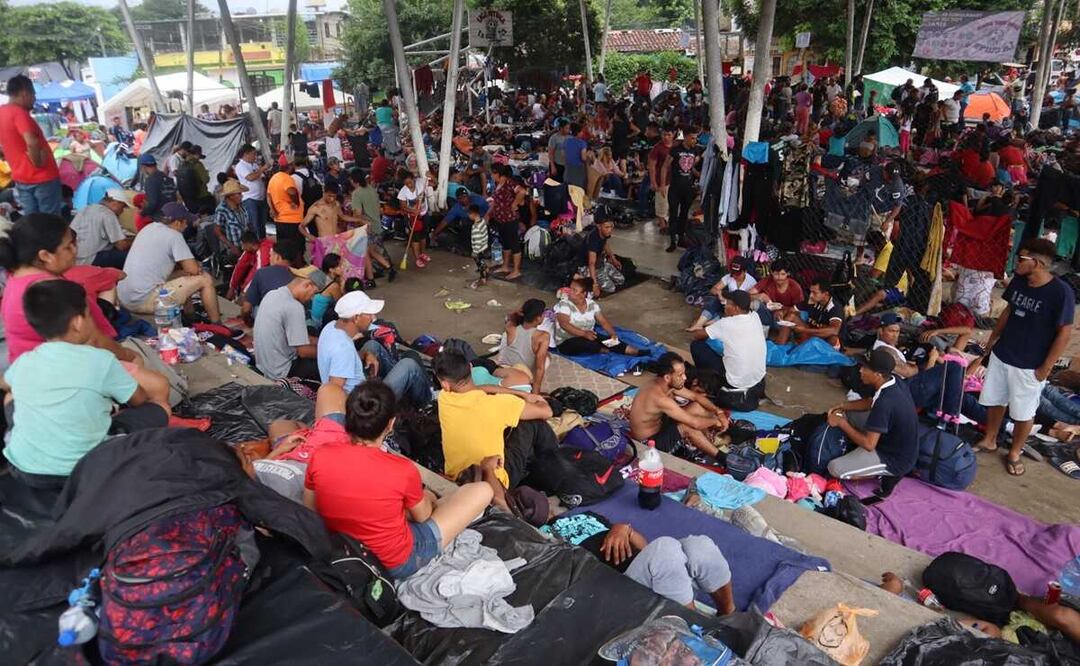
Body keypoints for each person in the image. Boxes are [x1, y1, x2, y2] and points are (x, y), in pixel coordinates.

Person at [304, 380, 494, 579]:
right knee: (481, 491)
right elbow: (423, 516)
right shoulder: (402, 470)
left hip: (342, 548)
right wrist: (426, 496)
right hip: (394, 562)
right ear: (390, 423)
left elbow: (310, 508)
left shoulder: (320, 455)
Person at [2, 280, 170, 488]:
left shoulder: (25, 361)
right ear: (78, 323)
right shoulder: (100, 360)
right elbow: (139, 399)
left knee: (12, 398)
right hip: (81, 471)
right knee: (158, 408)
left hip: (23, 468)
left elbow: (7, 385)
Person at [970, 239, 1075, 476]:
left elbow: (1064, 332)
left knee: (1024, 412)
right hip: (1003, 353)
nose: (1015, 262)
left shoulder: (1061, 293)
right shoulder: (1019, 281)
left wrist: (1046, 367)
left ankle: (1015, 451)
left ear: (1036, 263)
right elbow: (1008, 310)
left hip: (1030, 364)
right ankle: (990, 438)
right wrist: (992, 340)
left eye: (1020, 259)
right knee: (996, 400)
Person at [0, 214, 138, 366]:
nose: (74, 250)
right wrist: (127, 355)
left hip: (33, 370)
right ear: (45, 255)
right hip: (64, 371)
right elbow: (93, 339)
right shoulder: (50, 290)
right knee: (151, 373)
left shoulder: (15, 279)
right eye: (68, 246)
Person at [542, 511, 735, 614]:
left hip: (646, 568)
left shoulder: (588, 515)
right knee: (664, 548)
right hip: (615, 586)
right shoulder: (538, 536)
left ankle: (727, 613)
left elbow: (644, 547)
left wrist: (624, 530)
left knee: (698, 545)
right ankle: (699, 629)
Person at [435, 350, 553, 488]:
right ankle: (554, 468)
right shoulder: (498, 404)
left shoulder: (444, 398)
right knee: (533, 422)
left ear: (444, 384)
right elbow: (547, 412)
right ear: (471, 368)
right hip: (495, 483)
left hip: (459, 478)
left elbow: (479, 389)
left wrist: (520, 394)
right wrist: (536, 399)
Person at [317, 290, 431, 405]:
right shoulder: (343, 349)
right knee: (409, 365)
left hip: (361, 387)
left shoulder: (331, 326)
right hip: (365, 405)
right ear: (356, 318)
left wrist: (365, 354)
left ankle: (401, 383)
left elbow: (340, 358)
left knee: (372, 345)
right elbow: (334, 390)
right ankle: (428, 403)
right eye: (369, 314)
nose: (373, 318)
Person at [116, 201, 222, 323]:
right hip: (142, 300)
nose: (187, 225)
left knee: (184, 274)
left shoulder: (148, 228)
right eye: (185, 222)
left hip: (124, 298)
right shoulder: (174, 235)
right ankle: (217, 323)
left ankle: (190, 315)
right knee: (205, 279)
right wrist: (197, 265)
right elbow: (193, 269)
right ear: (177, 222)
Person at [825, 348, 919, 480]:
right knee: (845, 413)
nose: (860, 370)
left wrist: (842, 423)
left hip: (894, 459)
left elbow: (869, 445)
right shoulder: (894, 380)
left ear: (878, 375)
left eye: (865, 368)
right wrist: (842, 405)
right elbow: (870, 402)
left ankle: (882, 475)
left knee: (834, 468)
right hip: (891, 438)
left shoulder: (885, 403)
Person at [628, 352, 729, 459]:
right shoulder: (660, 398)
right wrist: (715, 421)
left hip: (661, 427)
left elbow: (695, 397)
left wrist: (719, 412)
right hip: (648, 445)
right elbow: (695, 424)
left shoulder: (664, 383)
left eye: (684, 373)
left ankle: (711, 436)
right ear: (667, 377)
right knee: (687, 428)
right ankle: (723, 459)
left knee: (697, 407)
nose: (685, 378)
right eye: (680, 375)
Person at [689, 291, 767, 404]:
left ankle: (709, 381)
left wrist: (700, 326)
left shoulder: (726, 323)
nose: (725, 305)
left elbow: (697, 335)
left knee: (697, 346)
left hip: (734, 382)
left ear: (736, 308)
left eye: (728, 303)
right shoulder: (755, 316)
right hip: (757, 378)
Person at [0, 75, 62, 216]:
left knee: (33, 223)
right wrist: (38, 162)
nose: (34, 99)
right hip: (42, 177)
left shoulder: (2, 112)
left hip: (21, 177)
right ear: (24, 94)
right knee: (50, 223)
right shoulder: (19, 114)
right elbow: (31, 142)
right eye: (33, 94)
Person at [253, 273, 326, 381]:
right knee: (327, 365)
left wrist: (323, 342)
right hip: (281, 372)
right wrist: (329, 353)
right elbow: (304, 352)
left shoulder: (272, 294)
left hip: (264, 366)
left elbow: (302, 338)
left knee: (311, 332)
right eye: (314, 293)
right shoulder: (294, 307)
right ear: (307, 285)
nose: (312, 298)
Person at [554, 277, 640, 357]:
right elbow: (564, 324)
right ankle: (603, 350)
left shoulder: (591, 304)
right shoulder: (564, 304)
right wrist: (584, 334)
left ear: (584, 294)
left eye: (574, 290)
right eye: (571, 288)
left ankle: (636, 352)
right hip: (566, 341)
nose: (570, 292)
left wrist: (613, 335)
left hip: (588, 336)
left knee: (610, 341)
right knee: (589, 344)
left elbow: (603, 322)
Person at [495, 298, 551, 394]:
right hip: (522, 376)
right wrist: (535, 393)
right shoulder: (543, 336)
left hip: (504, 371)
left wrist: (520, 312)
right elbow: (539, 368)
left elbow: (511, 316)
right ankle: (530, 383)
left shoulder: (510, 327)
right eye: (543, 315)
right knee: (547, 357)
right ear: (538, 318)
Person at [688, 256, 757, 331]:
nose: (734, 276)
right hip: (727, 305)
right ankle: (699, 324)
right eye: (733, 273)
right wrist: (719, 293)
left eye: (738, 274)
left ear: (745, 271)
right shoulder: (729, 277)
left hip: (739, 310)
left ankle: (708, 323)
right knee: (714, 301)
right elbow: (713, 289)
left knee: (730, 314)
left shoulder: (751, 282)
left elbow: (750, 301)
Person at [773, 279, 845, 348]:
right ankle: (779, 347)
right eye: (811, 292)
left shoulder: (835, 308)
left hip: (823, 340)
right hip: (811, 335)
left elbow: (834, 330)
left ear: (825, 294)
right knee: (791, 316)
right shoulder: (812, 300)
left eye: (814, 292)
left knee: (833, 337)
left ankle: (825, 357)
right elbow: (792, 310)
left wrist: (804, 330)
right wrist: (781, 312)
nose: (811, 295)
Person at [70, 189, 133, 268]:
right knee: (131, 256)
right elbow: (121, 245)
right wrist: (136, 240)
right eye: (122, 207)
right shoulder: (107, 214)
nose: (122, 211)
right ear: (115, 202)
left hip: (74, 257)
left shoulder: (86, 208)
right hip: (90, 258)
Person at [243, 239, 303, 319]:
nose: (269, 258)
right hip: (292, 319)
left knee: (256, 306)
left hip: (269, 320)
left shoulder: (262, 273)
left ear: (277, 257)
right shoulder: (299, 276)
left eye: (271, 255)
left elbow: (246, 308)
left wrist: (245, 318)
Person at [663, 128, 700, 252]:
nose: (694, 140)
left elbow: (691, 167)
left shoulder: (695, 150)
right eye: (692, 138)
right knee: (673, 214)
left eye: (695, 138)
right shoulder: (675, 150)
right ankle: (672, 240)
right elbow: (665, 167)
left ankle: (681, 238)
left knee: (684, 214)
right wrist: (663, 185)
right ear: (686, 137)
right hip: (675, 188)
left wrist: (700, 177)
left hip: (688, 188)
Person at [489, 165, 524, 280]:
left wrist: (514, 204)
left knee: (514, 243)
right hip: (500, 218)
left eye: (493, 173)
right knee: (505, 242)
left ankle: (516, 270)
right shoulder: (497, 184)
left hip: (510, 218)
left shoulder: (510, 184)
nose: (492, 175)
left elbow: (522, 192)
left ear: (500, 174)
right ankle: (505, 266)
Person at [578, 218, 624, 297]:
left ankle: (602, 277)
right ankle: (586, 279)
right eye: (607, 227)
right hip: (588, 267)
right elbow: (591, 263)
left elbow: (605, 244)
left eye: (611, 227)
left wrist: (613, 259)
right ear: (599, 226)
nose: (609, 230)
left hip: (600, 264)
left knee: (621, 280)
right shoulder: (593, 240)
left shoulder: (603, 234)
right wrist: (594, 284)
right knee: (611, 288)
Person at [234, 144, 271, 239]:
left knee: (262, 224)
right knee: (254, 224)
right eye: (253, 154)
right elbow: (250, 177)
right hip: (250, 198)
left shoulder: (254, 165)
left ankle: (263, 243)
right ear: (246, 154)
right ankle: (255, 244)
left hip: (260, 198)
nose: (255, 156)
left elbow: (261, 177)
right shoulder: (240, 166)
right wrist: (262, 169)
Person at [397, 173, 431, 268]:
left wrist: (430, 175)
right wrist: (413, 210)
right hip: (412, 218)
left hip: (424, 214)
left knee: (423, 236)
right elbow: (403, 206)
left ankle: (422, 253)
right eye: (406, 183)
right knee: (415, 238)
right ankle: (417, 258)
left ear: (413, 179)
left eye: (410, 182)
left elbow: (435, 183)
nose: (409, 185)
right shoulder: (403, 192)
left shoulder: (421, 183)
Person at [214, 179, 252, 257]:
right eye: (239, 193)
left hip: (246, 245)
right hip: (234, 248)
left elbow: (248, 224)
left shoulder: (241, 206)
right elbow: (217, 231)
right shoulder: (221, 209)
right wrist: (231, 247)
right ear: (231, 196)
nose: (242, 195)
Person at [268, 162, 303, 243]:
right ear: (290, 167)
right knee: (296, 247)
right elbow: (292, 191)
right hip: (292, 219)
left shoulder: (273, 178)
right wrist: (296, 202)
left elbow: (268, 196)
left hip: (279, 218)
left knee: (282, 246)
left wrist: (272, 209)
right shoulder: (286, 178)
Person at [648, 129, 674, 232]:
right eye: (664, 135)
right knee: (661, 203)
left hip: (672, 179)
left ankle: (665, 220)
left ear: (673, 135)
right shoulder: (657, 148)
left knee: (669, 202)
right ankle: (663, 225)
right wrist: (653, 181)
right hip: (660, 180)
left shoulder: (675, 146)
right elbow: (652, 166)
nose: (666, 137)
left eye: (668, 134)